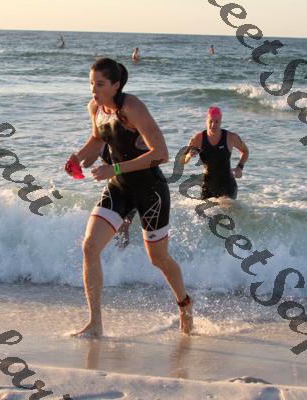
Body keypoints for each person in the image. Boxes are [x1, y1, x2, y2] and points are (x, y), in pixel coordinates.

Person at [64, 58, 193, 336]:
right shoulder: (96, 108)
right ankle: (95, 323)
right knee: (90, 247)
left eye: (100, 84)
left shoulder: (132, 107)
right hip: (119, 187)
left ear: (116, 85)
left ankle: (184, 304)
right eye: (91, 83)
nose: (94, 90)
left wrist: (114, 168)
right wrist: (78, 157)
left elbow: (161, 153)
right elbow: (98, 139)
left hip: (150, 190)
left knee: (158, 258)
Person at [181, 107, 249, 200]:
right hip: (207, 185)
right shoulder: (198, 138)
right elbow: (182, 160)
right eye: (210, 121)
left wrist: (239, 167)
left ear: (220, 121)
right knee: (204, 209)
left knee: (227, 207)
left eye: (216, 122)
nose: (213, 125)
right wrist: (189, 155)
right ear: (206, 121)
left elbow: (245, 151)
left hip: (227, 184)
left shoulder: (231, 137)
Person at [99, 143, 136, 248]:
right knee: (112, 224)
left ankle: (121, 254)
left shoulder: (129, 139)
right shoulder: (101, 141)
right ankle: (114, 253)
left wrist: (114, 169)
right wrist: (77, 160)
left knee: (123, 225)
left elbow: (137, 164)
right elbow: (88, 158)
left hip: (134, 187)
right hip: (113, 189)